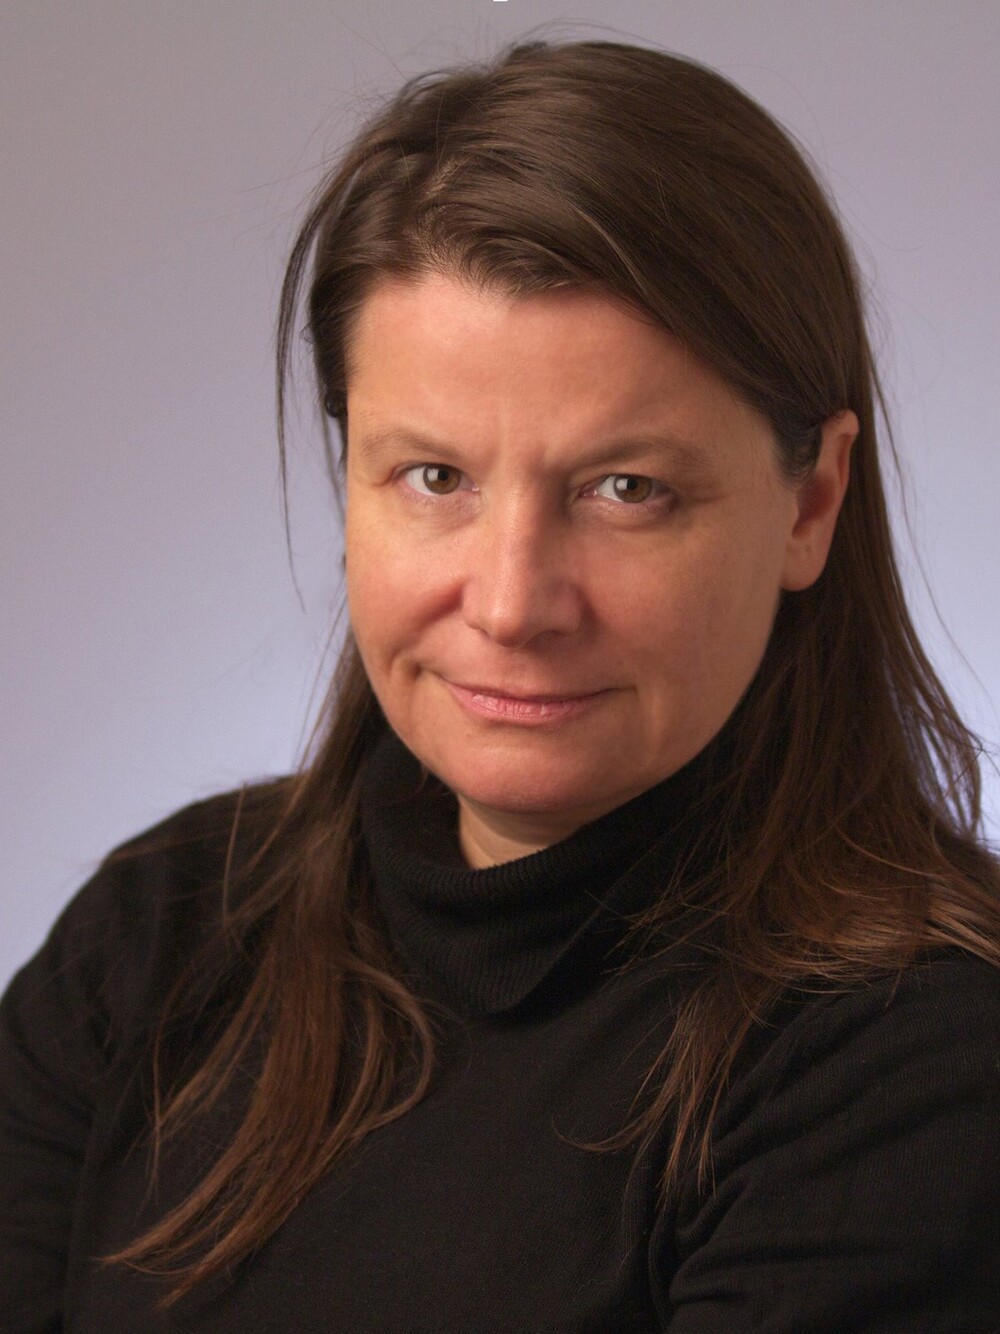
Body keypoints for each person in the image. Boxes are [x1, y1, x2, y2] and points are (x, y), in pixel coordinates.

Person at [2, 37, 999, 1331]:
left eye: (626, 490)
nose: (515, 601)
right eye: (434, 478)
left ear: (810, 501)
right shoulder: (158, 936)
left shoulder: (914, 1061)